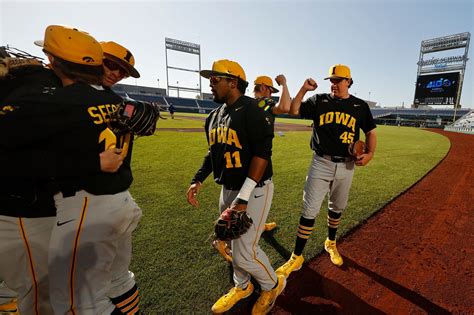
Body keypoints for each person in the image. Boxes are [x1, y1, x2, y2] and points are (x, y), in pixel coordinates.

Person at [0, 25, 141, 314]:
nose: (116, 73)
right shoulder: (103, 99)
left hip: (77, 205)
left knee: (66, 300)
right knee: (84, 289)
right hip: (59, 205)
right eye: (111, 64)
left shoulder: (69, 95)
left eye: (122, 71)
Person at [186, 59, 285, 314]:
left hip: (254, 188)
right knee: (230, 242)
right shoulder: (214, 116)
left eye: (215, 79)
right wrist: (198, 178)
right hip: (228, 187)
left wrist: (243, 197)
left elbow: (262, 155)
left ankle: (272, 284)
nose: (210, 83)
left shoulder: (252, 110)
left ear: (233, 82)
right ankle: (242, 286)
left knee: (244, 253)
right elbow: (213, 153)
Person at [276, 64, 377, 279]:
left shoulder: (359, 106)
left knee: (337, 207)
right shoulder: (319, 100)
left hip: (347, 165)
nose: (334, 84)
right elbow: (294, 110)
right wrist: (303, 89)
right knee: (309, 209)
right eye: (331, 80)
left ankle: (331, 242)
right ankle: (297, 256)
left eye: (338, 80)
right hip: (321, 162)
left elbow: (370, 132)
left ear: (349, 81)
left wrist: (370, 154)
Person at [253, 75, 291, 232]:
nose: (271, 94)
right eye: (270, 90)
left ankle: (259, 224)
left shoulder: (248, 104)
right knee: (258, 193)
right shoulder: (263, 103)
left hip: (247, 156)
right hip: (259, 158)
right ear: (263, 87)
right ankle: (228, 239)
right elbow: (284, 107)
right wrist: (284, 84)